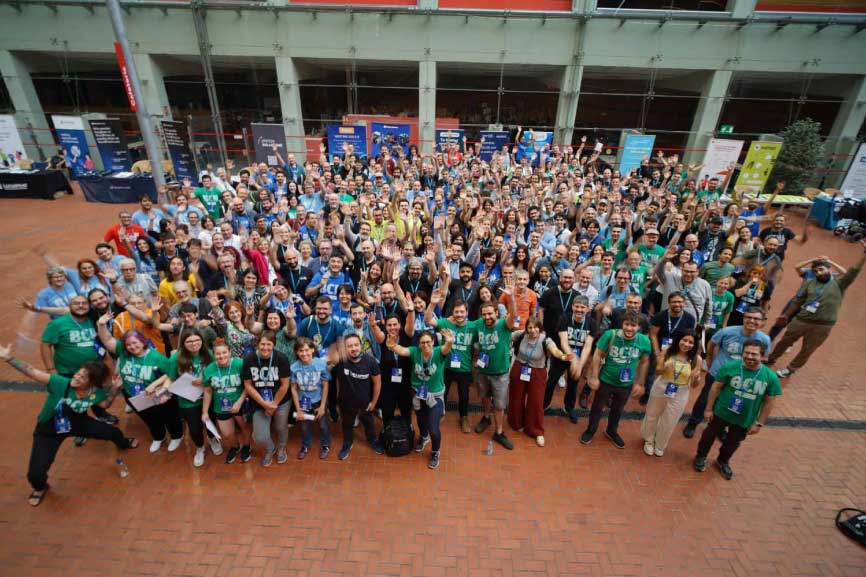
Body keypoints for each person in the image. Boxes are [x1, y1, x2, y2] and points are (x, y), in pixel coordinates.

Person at [0, 344, 136, 507]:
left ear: (92, 382)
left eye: (82, 377)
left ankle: (124, 443)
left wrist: (114, 389)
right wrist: (8, 358)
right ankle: (40, 487)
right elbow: (31, 371)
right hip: (49, 430)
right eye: (78, 373)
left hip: (78, 423)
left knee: (112, 432)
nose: (77, 377)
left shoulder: (95, 392)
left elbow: (105, 405)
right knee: (35, 473)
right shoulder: (59, 383)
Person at [768, 247, 865, 378]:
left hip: (822, 326)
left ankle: (790, 369)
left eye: (821, 270)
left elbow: (853, 271)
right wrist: (785, 315)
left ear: (829, 269)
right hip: (801, 320)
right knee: (784, 341)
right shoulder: (809, 283)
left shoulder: (840, 283)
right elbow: (798, 301)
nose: (818, 273)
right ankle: (771, 358)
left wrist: (863, 256)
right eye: (815, 271)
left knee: (807, 350)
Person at [693, 339, 782, 480]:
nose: (749, 356)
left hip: (745, 418)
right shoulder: (730, 367)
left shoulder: (770, 377)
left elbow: (769, 402)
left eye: (754, 354)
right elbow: (715, 388)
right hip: (721, 412)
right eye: (746, 352)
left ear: (763, 355)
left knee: (733, 442)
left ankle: (722, 461)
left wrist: (759, 423)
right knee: (709, 434)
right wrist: (709, 409)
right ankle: (701, 456)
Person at [95, 313, 183, 452]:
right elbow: (107, 340)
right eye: (128, 344)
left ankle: (176, 436)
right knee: (149, 419)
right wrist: (101, 325)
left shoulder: (156, 357)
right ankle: (159, 437)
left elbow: (171, 374)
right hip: (134, 395)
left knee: (168, 416)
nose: (132, 346)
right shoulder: (123, 352)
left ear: (143, 342)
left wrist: (156, 386)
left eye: (135, 343)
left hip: (157, 395)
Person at [683, 307, 771, 439]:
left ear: (763, 321)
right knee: (705, 399)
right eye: (748, 317)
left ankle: (720, 427)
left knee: (729, 403)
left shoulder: (764, 339)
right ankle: (693, 423)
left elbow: (763, 357)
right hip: (718, 374)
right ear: (744, 318)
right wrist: (709, 361)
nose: (752, 321)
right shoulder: (727, 331)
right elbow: (712, 343)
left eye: (756, 318)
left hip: (739, 379)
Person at [385, 328, 454, 470]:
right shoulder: (415, 352)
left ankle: (435, 452)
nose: (426, 345)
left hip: (435, 395)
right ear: (418, 344)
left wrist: (449, 342)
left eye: (428, 342)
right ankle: (423, 437)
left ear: (433, 342)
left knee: (433, 428)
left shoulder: (439, 352)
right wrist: (392, 345)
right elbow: (402, 350)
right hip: (418, 393)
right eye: (422, 343)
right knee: (420, 419)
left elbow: (446, 349)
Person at [581, 311, 651, 449]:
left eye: (633, 325)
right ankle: (591, 430)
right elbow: (597, 355)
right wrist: (594, 376)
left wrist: (640, 383)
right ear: (622, 324)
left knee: (618, 409)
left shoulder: (644, 341)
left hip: (626, 383)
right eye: (627, 324)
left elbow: (644, 362)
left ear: (639, 327)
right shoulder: (610, 335)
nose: (629, 328)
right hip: (606, 379)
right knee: (597, 407)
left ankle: (611, 431)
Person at [509, 316, 570, 447]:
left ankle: (536, 430)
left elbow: (555, 350)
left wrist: (563, 356)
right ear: (526, 328)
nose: (532, 330)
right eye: (529, 327)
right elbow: (507, 336)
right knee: (516, 398)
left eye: (535, 327)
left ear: (540, 328)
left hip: (537, 371)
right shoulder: (521, 335)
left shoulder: (545, 340)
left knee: (536, 402)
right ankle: (516, 423)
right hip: (519, 368)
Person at [640, 330, 702, 457]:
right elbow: (657, 371)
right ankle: (649, 440)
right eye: (684, 340)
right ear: (678, 340)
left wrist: (696, 378)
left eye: (691, 342)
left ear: (694, 345)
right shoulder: (668, 351)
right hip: (662, 385)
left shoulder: (697, 359)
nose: (687, 344)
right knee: (652, 414)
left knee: (670, 419)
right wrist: (663, 368)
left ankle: (660, 443)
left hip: (681, 391)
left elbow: (695, 385)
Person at [472, 284, 518, 450]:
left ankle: (498, 432)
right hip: (483, 371)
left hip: (500, 373)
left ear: (496, 313)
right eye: (484, 314)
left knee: (499, 405)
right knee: (484, 396)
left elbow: (513, 315)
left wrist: (511, 297)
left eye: (490, 313)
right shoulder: (478, 324)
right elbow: (463, 324)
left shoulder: (503, 326)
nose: (487, 317)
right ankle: (486, 417)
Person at [426, 290, 475, 433]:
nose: (459, 315)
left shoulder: (473, 326)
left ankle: (464, 417)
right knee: (443, 393)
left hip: (464, 367)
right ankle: (440, 414)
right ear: (452, 312)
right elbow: (428, 320)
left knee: (464, 395)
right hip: (446, 365)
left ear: (466, 312)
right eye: (456, 312)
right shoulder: (445, 323)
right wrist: (433, 303)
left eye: (462, 312)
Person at [242, 331, 292, 467]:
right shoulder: (249, 359)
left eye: (269, 344)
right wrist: (264, 404)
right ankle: (270, 448)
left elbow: (285, 384)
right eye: (262, 344)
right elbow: (248, 385)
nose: (265, 348)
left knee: (281, 427)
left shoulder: (281, 358)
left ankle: (281, 447)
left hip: (280, 401)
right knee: (258, 436)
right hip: (259, 402)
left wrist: (273, 405)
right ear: (257, 344)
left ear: (274, 345)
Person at [333, 334, 384, 460]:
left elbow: (377, 383)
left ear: (361, 345)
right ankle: (347, 444)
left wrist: (373, 402)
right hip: (346, 403)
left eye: (356, 345)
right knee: (347, 425)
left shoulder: (370, 361)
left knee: (369, 424)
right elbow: (337, 379)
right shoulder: (341, 360)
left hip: (365, 403)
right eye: (349, 346)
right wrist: (338, 397)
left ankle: (372, 440)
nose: (354, 348)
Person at [546, 295, 596, 421]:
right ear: (572, 306)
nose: (579, 310)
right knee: (552, 380)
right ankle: (544, 404)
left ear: (587, 309)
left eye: (582, 307)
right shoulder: (564, 318)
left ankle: (569, 408)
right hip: (562, 356)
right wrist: (573, 360)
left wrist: (579, 365)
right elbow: (563, 342)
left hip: (579, 357)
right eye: (577, 306)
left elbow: (587, 346)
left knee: (573, 384)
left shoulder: (592, 323)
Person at [201, 340, 251, 464]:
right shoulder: (209, 369)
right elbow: (207, 392)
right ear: (214, 355)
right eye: (218, 354)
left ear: (230, 353)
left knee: (244, 426)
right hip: (221, 406)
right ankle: (235, 447)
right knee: (227, 433)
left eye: (224, 353)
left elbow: (248, 386)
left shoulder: (240, 364)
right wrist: (205, 412)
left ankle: (246, 446)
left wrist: (240, 402)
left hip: (240, 404)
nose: (221, 356)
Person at [290, 337, 332, 460]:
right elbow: (293, 389)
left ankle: (325, 445)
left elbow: (325, 385)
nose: (304, 353)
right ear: (297, 352)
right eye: (301, 351)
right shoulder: (294, 367)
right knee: (304, 426)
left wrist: (323, 406)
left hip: (319, 400)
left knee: (323, 424)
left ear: (312, 350)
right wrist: (298, 409)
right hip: (303, 402)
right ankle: (305, 445)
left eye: (307, 350)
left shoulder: (320, 364)